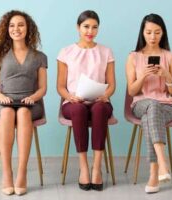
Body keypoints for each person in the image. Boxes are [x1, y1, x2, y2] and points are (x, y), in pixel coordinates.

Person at [0, 10, 47, 196]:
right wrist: (0, 96)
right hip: (3, 101)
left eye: (20, 25)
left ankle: (21, 173)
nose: (16, 29)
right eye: (12, 25)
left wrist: (33, 98)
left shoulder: (39, 57)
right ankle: (7, 173)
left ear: (28, 28)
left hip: (30, 103)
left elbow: (43, 88)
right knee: (7, 112)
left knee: (22, 112)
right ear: (6, 29)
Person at [57, 10, 115, 191]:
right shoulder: (66, 52)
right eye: (86, 27)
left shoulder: (106, 52)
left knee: (99, 109)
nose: (90, 31)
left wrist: (106, 95)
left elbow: (112, 84)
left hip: (99, 100)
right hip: (74, 102)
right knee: (79, 110)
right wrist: (69, 97)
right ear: (78, 27)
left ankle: (96, 167)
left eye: (94, 27)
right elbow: (60, 86)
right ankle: (83, 167)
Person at [125, 13, 172, 194]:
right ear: (142, 33)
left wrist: (167, 75)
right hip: (141, 103)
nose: (152, 37)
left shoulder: (171, 57)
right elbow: (132, 91)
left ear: (163, 33)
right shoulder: (133, 57)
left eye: (157, 32)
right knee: (152, 106)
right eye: (148, 32)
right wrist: (143, 76)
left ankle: (154, 173)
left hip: (168, 105)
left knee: (153, 113)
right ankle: (162, 164)